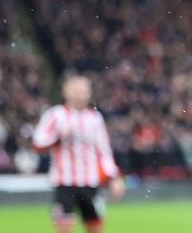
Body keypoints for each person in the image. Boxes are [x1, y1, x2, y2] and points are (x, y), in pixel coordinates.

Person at [33, 75, 125, 233]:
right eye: (76, 91)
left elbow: (104, 151)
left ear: (89, 93)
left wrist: (114, 178)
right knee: (64, 225)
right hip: (64, 182)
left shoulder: (95, 118)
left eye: (83, 92)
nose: (80, 96)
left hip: (90, 182)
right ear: (66, 92)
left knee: (95, 225)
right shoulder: (55, 115)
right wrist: (59, 136)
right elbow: (38, 143)